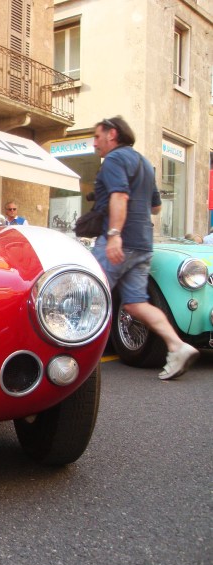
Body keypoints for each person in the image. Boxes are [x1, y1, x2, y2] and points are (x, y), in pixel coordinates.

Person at [91, 115, 198, 379]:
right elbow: (156, 207)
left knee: (89, 293)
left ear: (112, 134)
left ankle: (71, 359)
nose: (95, 144)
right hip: (143, 244)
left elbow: (119, 195)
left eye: (97, 136)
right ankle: (177, 346)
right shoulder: (145, 164)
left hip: (118, 242)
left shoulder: (114, 159)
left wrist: (114, 234)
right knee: (136, 303)